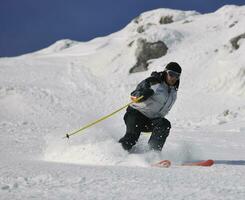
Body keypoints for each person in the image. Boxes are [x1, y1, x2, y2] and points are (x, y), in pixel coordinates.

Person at [119, 62, 182, 151]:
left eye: (177, 76)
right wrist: (142, 95)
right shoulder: (153, 82)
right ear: (165, 72)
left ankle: (152, 154)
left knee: (164, 124)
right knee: (132, 138)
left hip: (150, 120)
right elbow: (133, 95)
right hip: (135, 114)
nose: (174, 78)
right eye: (171, 74)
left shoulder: (173, 92)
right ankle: (117, 152)